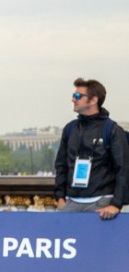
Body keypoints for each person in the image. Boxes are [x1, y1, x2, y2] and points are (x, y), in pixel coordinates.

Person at [53, 77, 128, 219]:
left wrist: (116, 204)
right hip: (71, 203)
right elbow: (61, 165)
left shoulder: (111, 130)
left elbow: (123, 169)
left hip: (102, 205)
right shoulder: (70, 129)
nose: (73, 99)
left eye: (78, 96)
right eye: (73, 96)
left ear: (93, 100)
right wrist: (60, 198)